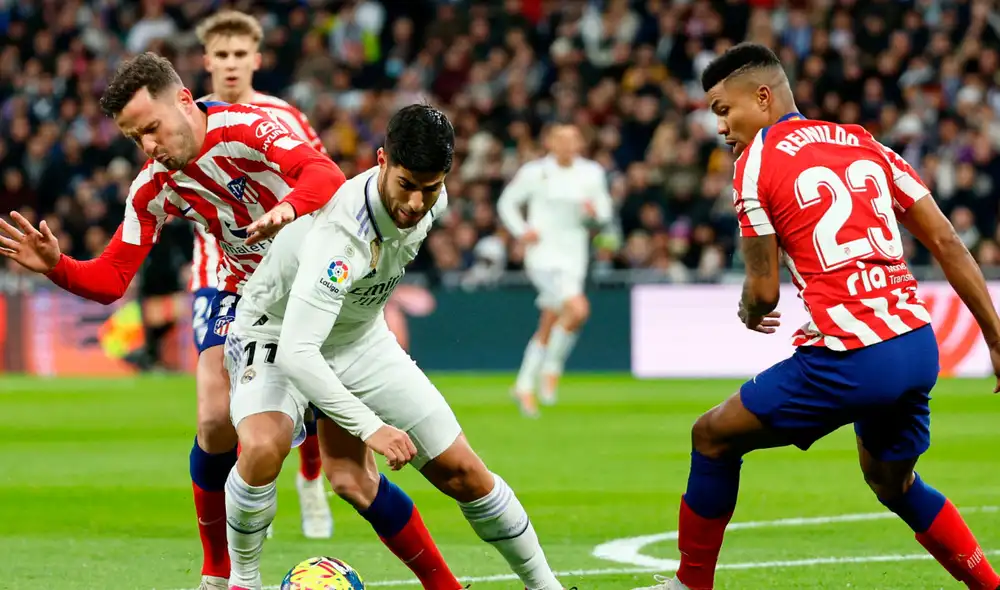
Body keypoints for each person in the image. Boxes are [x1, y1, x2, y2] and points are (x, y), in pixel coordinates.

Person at [0, 53, 444, 590]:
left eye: (152, 128)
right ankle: (220, 574)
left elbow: (324, 174)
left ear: (184, 101)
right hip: (247, 299)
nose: (148, 146)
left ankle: (440, 580)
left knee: (352, 479)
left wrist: (286, 211)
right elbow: (113, 278)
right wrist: (58, 267)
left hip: (327, 289)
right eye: (134, 136)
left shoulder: (249, 129)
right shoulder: (152, 186)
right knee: (215, 421)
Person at [653, 43, 1000, 590]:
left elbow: (764, 292)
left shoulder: (756, 161)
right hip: (915, 344)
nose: (719, 127)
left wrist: (748, 309)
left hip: (851, 355)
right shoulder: (864, 143)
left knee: (712, 437)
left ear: (762, 97)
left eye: (723, 109)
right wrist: (996, 338)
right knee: (894, 485)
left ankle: (689, 585)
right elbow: (947, 242)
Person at [224, 104, 569, 590]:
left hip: (359, 337)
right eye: (406, 184)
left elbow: (410, 222)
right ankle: (240, 582)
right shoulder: (341, 237)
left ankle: (545, 588)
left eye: (430, 188)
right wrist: (371, 428)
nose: (416, 202)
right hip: (276, 333)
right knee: (263, 447)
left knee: (460, 473)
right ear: (382, 160)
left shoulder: (435, 199)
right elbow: (300, 353)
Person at [191, 8, 332, 540]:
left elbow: (325, 186)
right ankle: (245, 500)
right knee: (217, 415)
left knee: (309, 382)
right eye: (220, 56)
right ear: (206, 61)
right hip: (218, 273)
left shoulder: (284, 116)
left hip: (288, 270)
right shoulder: (191, 118)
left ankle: (312, 479)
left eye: (238, 55)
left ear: (256, 59)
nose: (230, 65)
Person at [498, 123, 615, 416]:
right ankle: (551, 368)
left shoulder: (591, 173)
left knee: (550, 320)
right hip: (543, 256)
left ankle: (524, 385)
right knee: (577, 310)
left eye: (572, 139)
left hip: (574, 256)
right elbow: (507, 203)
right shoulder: (535, 172)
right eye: (560, 139)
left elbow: (605, 212)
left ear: (580, 143)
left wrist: (595, 215)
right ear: (549, 142)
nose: (566, 145)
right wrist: (521, 230)